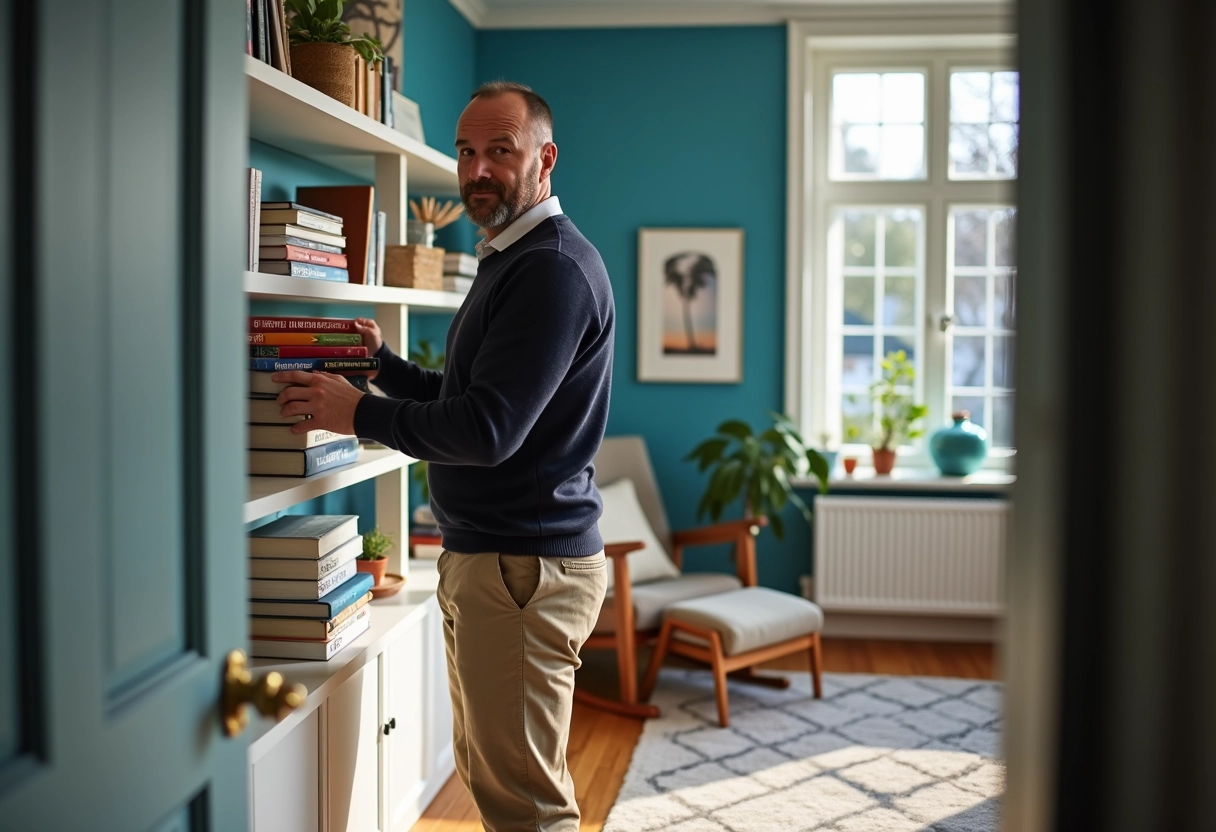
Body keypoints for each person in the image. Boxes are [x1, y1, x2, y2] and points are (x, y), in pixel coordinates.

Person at [272, 81, 615, 832]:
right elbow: (474, 392)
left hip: (520, 567)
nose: (478, 170)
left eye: (501, 150)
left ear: (545, 159)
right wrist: (387, 367)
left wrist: (357, 410)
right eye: (466, 151)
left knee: (525, 802)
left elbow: (489, 429)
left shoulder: (549, 268)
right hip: (503, 561)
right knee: (504, 781)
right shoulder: (512, 257)